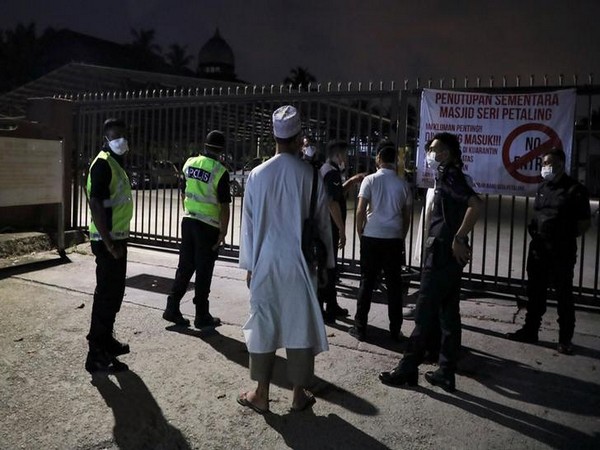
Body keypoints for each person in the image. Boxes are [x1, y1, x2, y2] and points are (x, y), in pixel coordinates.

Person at [237, 105, 334, 413]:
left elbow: (248, 226)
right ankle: (297, 396)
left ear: (274, 137)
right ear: (299, 137)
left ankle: (261, 394)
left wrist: (250, 265)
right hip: (300, 265)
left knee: (263, 323)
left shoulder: (257, 175)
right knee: (298, 325)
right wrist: (327, 264)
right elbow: (322, 225)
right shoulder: (311, 175)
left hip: (264, 262)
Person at [379, 132, 482, 392]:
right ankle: (446, 372)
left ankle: (407, 368)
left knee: (424, 313)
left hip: (440, 255)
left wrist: (459, 237)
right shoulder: (451, 175)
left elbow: (475, 204)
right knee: (449, 315)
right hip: (446, 256)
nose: (430, 154)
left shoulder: (450, 176)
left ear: (446, 153)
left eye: (434, 150)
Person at [507, 148, 591, 355]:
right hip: (538, 249)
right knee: (535, 292)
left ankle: (565, 339)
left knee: (564, 296)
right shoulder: (543, 187)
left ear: (561, 164)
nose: (545, 168)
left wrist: (562, 236)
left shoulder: (575, 190)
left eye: (549, 163)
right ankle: (530, 330)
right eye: (543, 164)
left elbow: (583, 224)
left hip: (561, 251)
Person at [162, 130, 231, 329]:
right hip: (208, 226)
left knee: (185, 266)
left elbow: (183, 192)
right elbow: (225, 206)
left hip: (189, 221)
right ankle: (201, 315)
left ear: (205, 146)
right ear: (221, 150)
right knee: (204, 270)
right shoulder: (220, 171)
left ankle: (172, 306)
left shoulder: (189, 163)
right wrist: (223, 233)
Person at [347, 140, 412, 341]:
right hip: (393, 238)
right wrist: (401, 236)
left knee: (366, 282)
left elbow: (360, 210)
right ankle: (395, 329)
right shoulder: (403, 184)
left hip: (371, 236)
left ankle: (360, 327)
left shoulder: (370, 181)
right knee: (394, 285)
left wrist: (361, 233)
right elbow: (407, 215)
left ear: (378, 159)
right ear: (394, 161)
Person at [85, 118, 134, 373]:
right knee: (106, 296)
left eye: (124, 136)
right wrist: (109, 243)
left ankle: (106, 341)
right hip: (107, 242)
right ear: (106, 139)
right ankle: (96, 353)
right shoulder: (103, 165)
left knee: (114, 294)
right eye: (116, 137)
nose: (121, 141)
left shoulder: (115, 163)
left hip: (116, 239)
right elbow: (96, 205)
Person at [318, 140, 365, 323]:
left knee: (330, 268)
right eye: (345, 155)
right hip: (328, 227)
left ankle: (331, 305)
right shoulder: (331, 173)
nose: (347, 158)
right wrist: (342, 229)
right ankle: (322, 308)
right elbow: (332, 202)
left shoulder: (328, 170)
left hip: (327, 227)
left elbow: (336, 193)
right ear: (338, 156)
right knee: (327, 269)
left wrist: (352, 181)